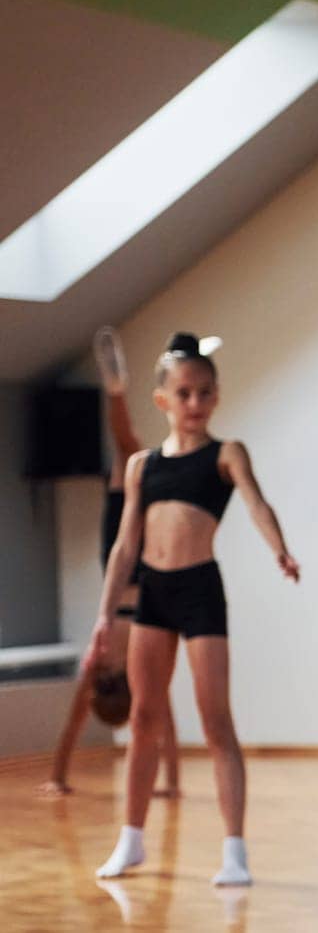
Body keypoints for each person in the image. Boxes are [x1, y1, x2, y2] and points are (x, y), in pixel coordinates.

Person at [92, 333, 300, 887]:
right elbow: (125, 547)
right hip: (153, 593)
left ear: (215, 396)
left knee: (215, 722)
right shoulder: (142, 466)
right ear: (163, 400)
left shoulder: (226, 454)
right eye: (184, 393)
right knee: (143, 719)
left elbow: (256, 502)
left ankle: (235, 851)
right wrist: (104, 615)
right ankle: (131, 841)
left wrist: (278, 547)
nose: (195, 403)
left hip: (200, 589)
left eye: (205, 393)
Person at [38, 328, 179, 798]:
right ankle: (115, 390)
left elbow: (164, 722)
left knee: (131, 457)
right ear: (105, 690)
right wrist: (56, 775)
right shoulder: (99, 664)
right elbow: (81, 724)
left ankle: (117, 389)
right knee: (127, 456)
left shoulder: (119, 668)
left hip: (137, 564)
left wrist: (59, 777)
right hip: (117, 559)